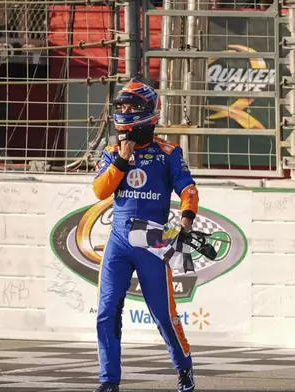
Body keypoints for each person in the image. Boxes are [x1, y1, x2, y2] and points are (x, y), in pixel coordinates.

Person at [92, 79, 198, 392]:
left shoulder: (168, 152)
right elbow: (100, 190)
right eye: (121, 106)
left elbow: (188, 188)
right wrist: (123, 159)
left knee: (164, 314)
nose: (125, 111)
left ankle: (184, 368)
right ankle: (109, 380)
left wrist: (187, 218)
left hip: (152, 240)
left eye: (131, 106)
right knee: (107, 311)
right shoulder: (112, 152)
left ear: (149, 112)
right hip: (119, 241)